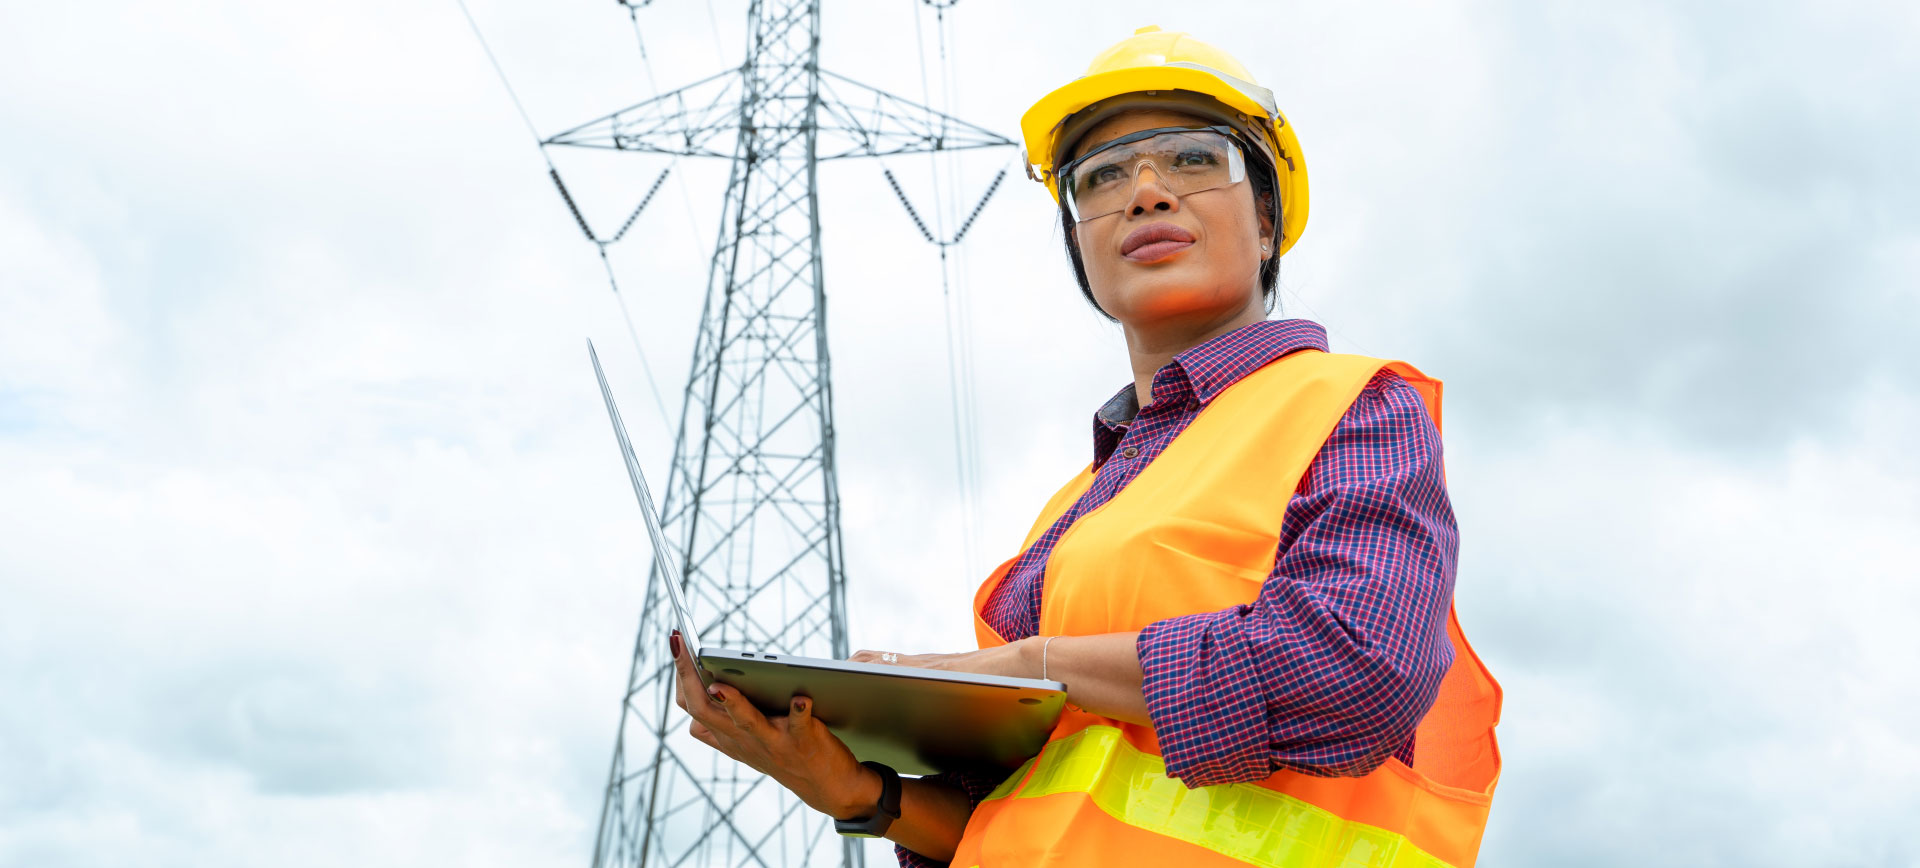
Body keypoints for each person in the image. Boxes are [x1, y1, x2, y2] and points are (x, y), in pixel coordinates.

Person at [667, 26, 1503, 868]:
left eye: (1191, 157)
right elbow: (1021, 819)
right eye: (1100, 176)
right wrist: (865, 796)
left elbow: (1351, 669)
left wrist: (1035, 663)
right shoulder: (1065, 519)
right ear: (1079, 243)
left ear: (1265, 219)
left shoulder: (1351, 411)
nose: (1144, 193)